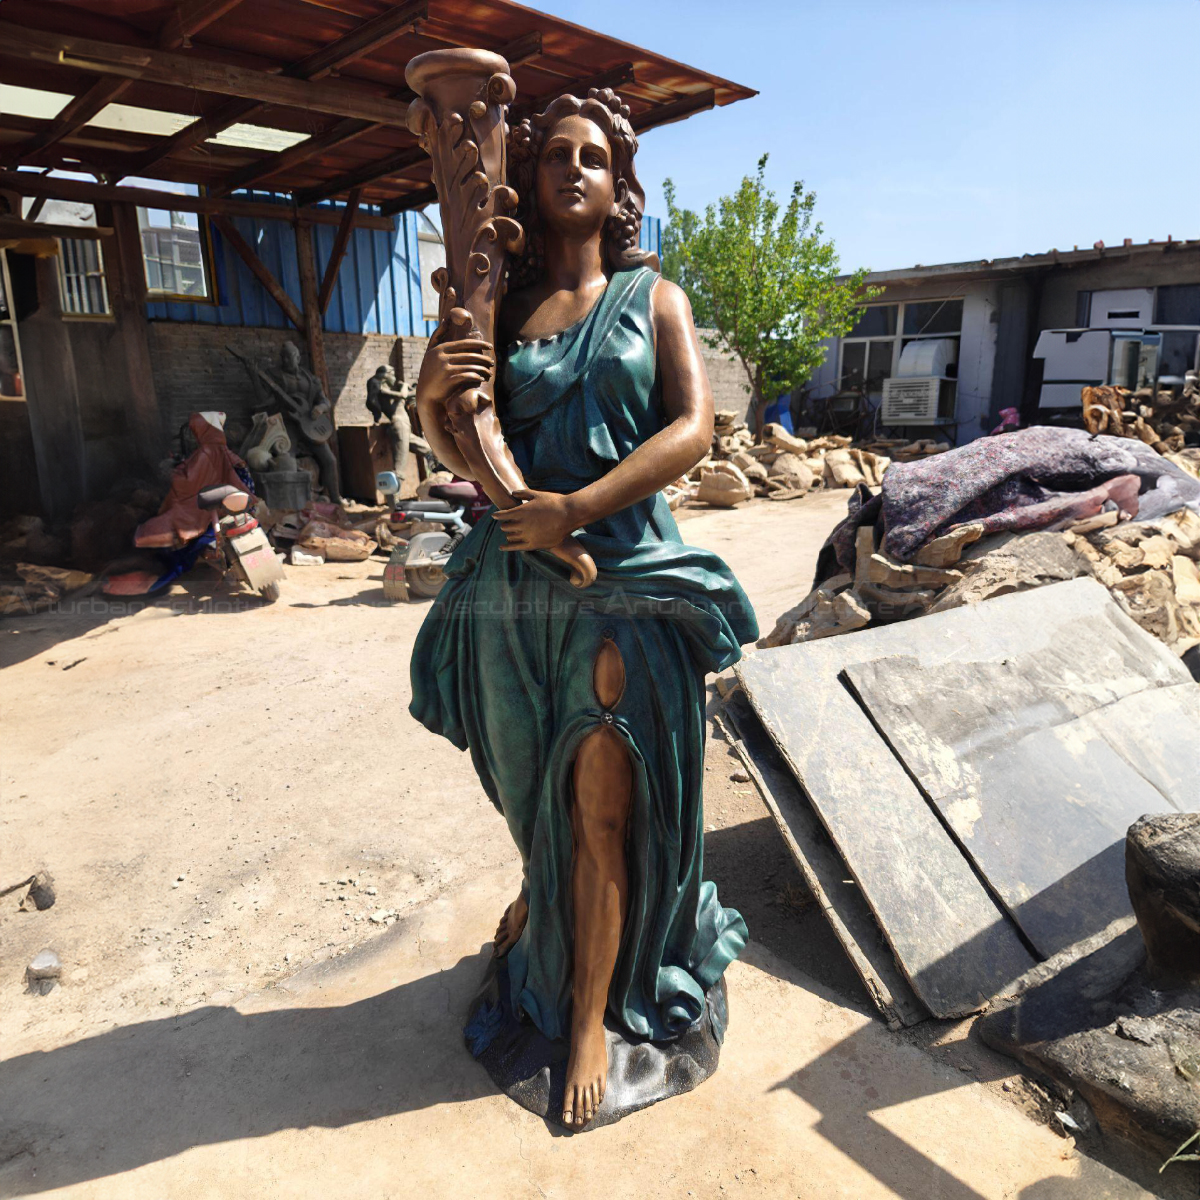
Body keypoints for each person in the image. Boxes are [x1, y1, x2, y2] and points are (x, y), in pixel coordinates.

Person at [408, 89, 757, 1128]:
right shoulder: (500, 310)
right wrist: (432, 401)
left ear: (618, 186)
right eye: (553, 154)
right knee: (536, 804)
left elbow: (693, 431)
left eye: (592, 157)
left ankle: (595, 1015)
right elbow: (464, 445)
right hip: (516, 596)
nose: (571, 168)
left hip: (621, 584)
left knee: (606, 806)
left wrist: (582, 508)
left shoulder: (656, 301)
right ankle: (541, 914)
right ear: (528, 177)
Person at [251, 342, 341, 502]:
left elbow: (325, 401)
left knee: (330, 460)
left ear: (298, 358)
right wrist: (253, 376)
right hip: (288, 426)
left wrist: (320, 408)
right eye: (283, 357)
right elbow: (263, 399)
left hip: (311, 426)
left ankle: (335, 498)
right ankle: (293, 501)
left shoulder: (311, 380)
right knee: (287, 461)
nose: (285, 360)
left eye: (289, 357)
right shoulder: (275, 376)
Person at [365, 364, 412, 481]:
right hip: (400, 425)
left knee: (427, 449)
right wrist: (405, 386)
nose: (395, 378)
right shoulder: (383, 390)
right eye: (393, 375)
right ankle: (394, 494)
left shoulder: (387, 391)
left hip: (404, 427)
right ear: (385, 376)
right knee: (399, 468)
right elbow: (403, 395)